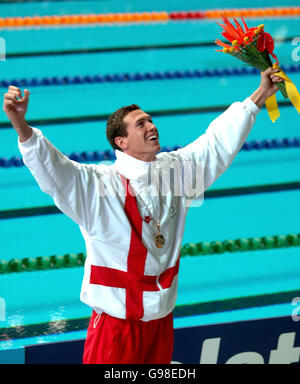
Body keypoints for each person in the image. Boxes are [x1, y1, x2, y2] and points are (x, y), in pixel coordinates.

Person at [3, 67, 284, 364]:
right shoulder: (98, 185)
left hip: (161, 323)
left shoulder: (174, 171)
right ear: (121, 142)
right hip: (117, 329)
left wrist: (259, 96)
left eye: (150, 120)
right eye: (140, 124)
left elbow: (215, 144)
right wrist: (22, 126)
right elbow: (56, 172)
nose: (151, 126)